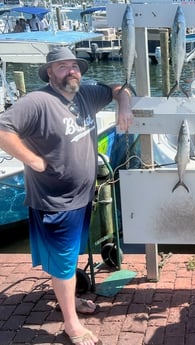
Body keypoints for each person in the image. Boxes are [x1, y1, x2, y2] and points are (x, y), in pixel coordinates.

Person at [0, 47, 133, 345]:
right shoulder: (38, 101)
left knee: (67, 260)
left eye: (74, 65)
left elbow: (120, 88)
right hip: (55, 200)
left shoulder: (86, 94)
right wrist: (33, 161)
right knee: (62, 263)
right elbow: (2, 129)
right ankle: (72, 326)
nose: (71, 71)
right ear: (49, 72)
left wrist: (124, 105)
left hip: (81, 197)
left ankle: (69, 301)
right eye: (63, 67)